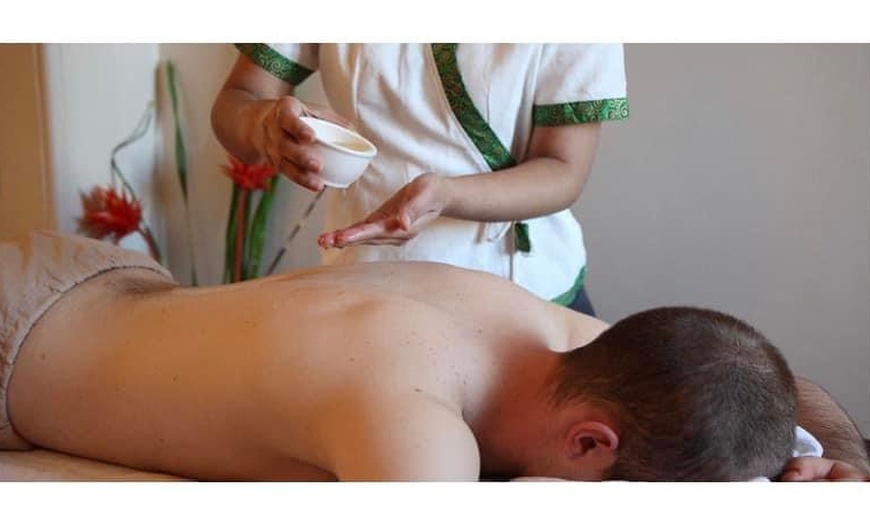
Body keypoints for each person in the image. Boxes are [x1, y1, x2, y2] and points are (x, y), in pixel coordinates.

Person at [1, 231, 868, 481]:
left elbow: (744, 374)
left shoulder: (557, 332)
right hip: (18, 354)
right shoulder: (415, 438)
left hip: (99, 275)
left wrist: (837, 458)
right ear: (590, 444)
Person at [211, 43, 630, 314]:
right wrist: (262, 126)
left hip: (525, 295)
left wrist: (448, 195)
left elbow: (562, 169)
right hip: (372, 287)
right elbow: (238, 100)